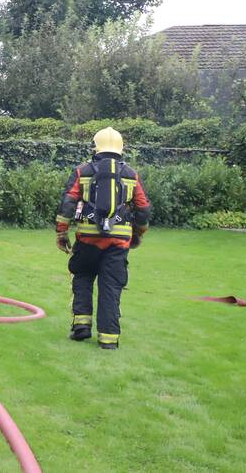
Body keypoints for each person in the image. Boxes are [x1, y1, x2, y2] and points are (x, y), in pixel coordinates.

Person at [55, 127, 151, 350]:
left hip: (87, 239)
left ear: (95, 147)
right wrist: (138, 233)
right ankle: (108, 339)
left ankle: (81, 326)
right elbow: (143, 209)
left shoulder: (82, 171)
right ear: (121, 148)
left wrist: (62, 232)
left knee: (83, 277)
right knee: (111, 287)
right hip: (118, 243)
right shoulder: (131, 174)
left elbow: (68, 203)